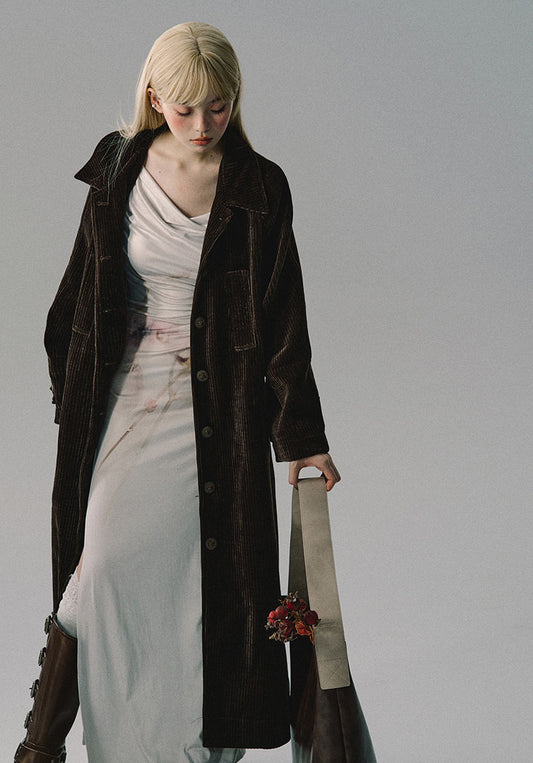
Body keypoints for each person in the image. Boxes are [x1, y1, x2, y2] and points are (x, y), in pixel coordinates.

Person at [15, 21, 340, 762]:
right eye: (186, 107)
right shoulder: (117, 167)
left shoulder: (260, 188)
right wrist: (71, 389)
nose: (201, 124)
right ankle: (48, 747)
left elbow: (282, 319)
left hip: (218, 410)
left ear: (235, 98)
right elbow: (78, 290)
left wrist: (301, 438)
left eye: (218, 106)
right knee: (101, 566)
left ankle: (188, 745)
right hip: (125, 398)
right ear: (155, 97)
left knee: (201, 583)